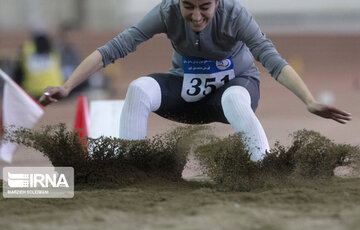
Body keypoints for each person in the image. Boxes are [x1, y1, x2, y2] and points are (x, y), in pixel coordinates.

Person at [39, 0, 351, 161]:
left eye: (205, 7)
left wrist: (309, 100)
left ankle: (262, 166)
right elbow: (114, 48)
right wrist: (67, 86)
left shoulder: (236, 15)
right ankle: (130, 165)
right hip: (185, 93)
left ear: (218, 2)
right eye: (189, 6)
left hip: (234, 91)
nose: (197, 16)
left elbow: (272, 60)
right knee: (137, 89)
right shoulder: (165, 11)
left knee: (232, 98)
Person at [14, 32, 64, 98]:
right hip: (54, 90)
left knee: (18, 71)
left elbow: (18, 64)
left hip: (33, 92)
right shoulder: (54, 53)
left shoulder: (27, 51)